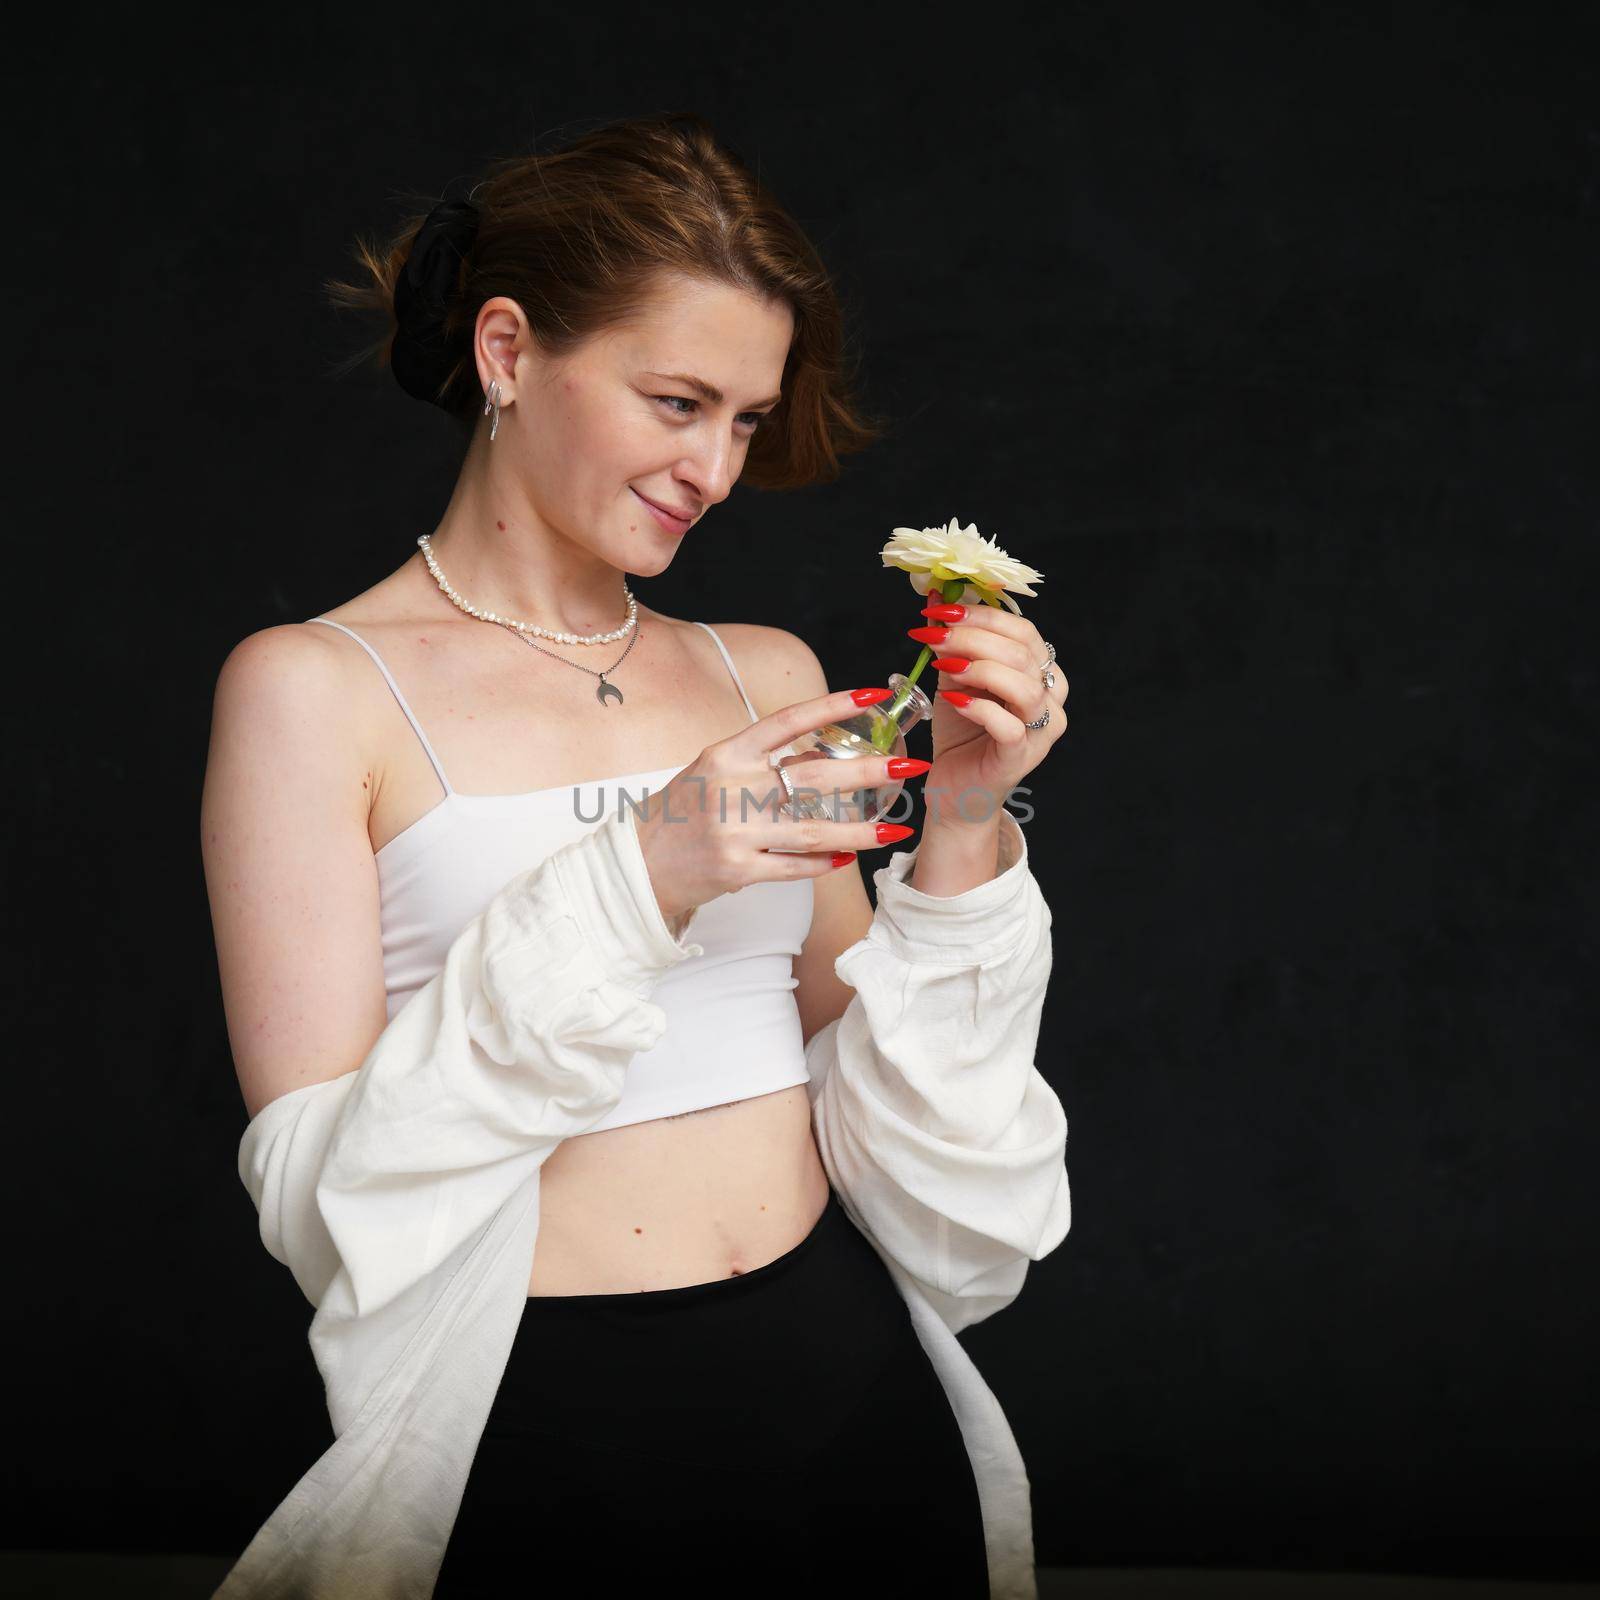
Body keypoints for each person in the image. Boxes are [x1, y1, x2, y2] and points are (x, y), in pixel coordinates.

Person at [201, 111, 1072, 1599]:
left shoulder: (760, 672)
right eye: (677, 401)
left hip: (853, 1392)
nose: (716, 468)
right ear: (506, 352)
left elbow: (885, 1105)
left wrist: (968, 822)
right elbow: (319, 1191)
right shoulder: (312, 688)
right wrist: (650, 870)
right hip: (545, 1424)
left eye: (743, 418)